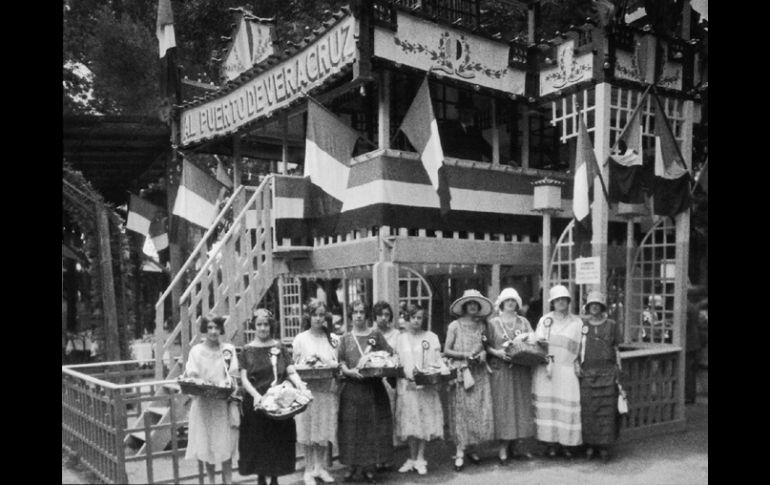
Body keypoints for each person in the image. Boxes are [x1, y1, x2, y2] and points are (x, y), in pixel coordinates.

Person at [238, 309, 307, 485]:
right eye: (259, 324)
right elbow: (244, 378)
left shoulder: (279, 347)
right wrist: (256, 396)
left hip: (278, 402)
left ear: (271, 326)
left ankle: (275, 478)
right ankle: (261, 477)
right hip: (256, 403)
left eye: (266, 324)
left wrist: (299, 384)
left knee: (277, 441)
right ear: (254, 326)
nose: (263, 328)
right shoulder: (247, 350)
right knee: (258, 441)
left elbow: (290, 370)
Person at [337, 300, 395, 483]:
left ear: (367, 315)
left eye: (362, 312)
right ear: (350, 315)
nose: (359, 315)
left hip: (373, 390)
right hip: (351, 390)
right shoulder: (345, 338)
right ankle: (352, 466)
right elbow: (341, 362)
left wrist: (381, 363)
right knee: (351, 429)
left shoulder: (375, 335)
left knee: (372, 428)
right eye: (355, 312)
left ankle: (369, 467)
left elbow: (390, 354)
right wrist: (348, 371)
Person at [183, 314, 239, 484]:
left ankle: (228, 481)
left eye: (216, 327)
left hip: (222, 404)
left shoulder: (228, 349)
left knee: (225, 444)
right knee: (206, 446)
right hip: (204, 405)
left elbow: (233, 375)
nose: (213, 331)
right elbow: (192, 375)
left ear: (221, 329)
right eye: (210, 328)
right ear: (204, 330)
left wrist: (227, 384)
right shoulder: (196, 351)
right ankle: (211, 481)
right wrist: (201, 383)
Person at [444, 289, 495, 471]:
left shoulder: (483, 325)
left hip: (479, 372)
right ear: (464, 306)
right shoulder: (455, 326)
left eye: (476, 303)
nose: (473, 306)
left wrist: (482, 354)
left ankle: (472, 448)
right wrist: (465, 355)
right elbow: (446, 350)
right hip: (462, 372)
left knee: (477, 411)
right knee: (461, 411)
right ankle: (460, 451)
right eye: (470, 303)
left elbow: (486, 346)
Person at [393, 304, 445, 475]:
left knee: (423, 420)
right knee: (410, 422)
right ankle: (412, 457)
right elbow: (397, 361)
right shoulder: (401, 339)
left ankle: (421, 457)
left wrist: (432, 374)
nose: (416, 320)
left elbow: (437, 361)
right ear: (408, 318)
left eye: (419, 317)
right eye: (413, 317)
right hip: (407, 387)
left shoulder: (431, 337)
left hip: (425, 387)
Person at [532, 285, 583, 458]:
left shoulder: (577, 323)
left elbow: (582, 348)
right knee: (549, 409)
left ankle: (566, 444)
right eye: (557, 300)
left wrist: (578, 363)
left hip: (567, 370)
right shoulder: (545, 320)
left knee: (566, 407)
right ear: (552, 303)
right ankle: (551, 444)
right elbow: (536, 344)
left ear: (568, 301)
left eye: (564, 299)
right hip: (547, 370)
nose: (560, 302)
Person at [486, 288, 536, 464]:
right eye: (507, 300)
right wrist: (497, 353)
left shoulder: (523, 322)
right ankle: (502, 448)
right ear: (501, 303)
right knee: (504, 408)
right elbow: (485, 346)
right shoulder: (493, 323)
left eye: (513, 300)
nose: (510, 303)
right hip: (502, 371)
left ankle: (516, 445)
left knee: (520, 407)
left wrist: (527, 343)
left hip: (520, 370)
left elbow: (533, 342)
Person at [293, 300, 340, 485]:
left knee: (322, 429)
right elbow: (295, 365)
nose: (318, 318)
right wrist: (308, 363)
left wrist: (323, 360)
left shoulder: (333, 338)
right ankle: (308, 469)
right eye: (315, 315)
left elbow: (336, 364)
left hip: (325, 389)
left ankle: (320, 467)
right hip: (307, 390)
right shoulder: (300, 339)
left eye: (321, 315)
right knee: (307, 430)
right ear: (309, 317)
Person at [579, 291, 622, 461]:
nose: (594, 307)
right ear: (588, 307)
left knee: (606, 412)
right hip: (587, 374)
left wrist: (618, 368)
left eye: (597, 304)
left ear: (602, 307)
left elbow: (616, 348)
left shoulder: (611, 325)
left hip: (607, 373)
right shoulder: (582, 325)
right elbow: (577, 348)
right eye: (592, 304)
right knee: (589, 410)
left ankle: (604, 447)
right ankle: (590, 445)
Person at [372, 301, 400, 472]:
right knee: (374, 419)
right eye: (380, 314)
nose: (384, 318)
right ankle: (375, 457)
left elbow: (398, 356)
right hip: (373, 381)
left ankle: (387, 457)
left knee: (388, 419)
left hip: (390, 380)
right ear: (375, 316)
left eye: (387, 314)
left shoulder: (396, 335)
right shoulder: (370, 334)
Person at [437, 95, 492, 162]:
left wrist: (502, 161)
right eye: (466, 113)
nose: (469, 116)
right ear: (460, 112)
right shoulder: (449, 127)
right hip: (456, 165)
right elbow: (444, 148)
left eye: (471, 113)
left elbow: (487, 149)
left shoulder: (475, 132)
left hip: (475, 166)